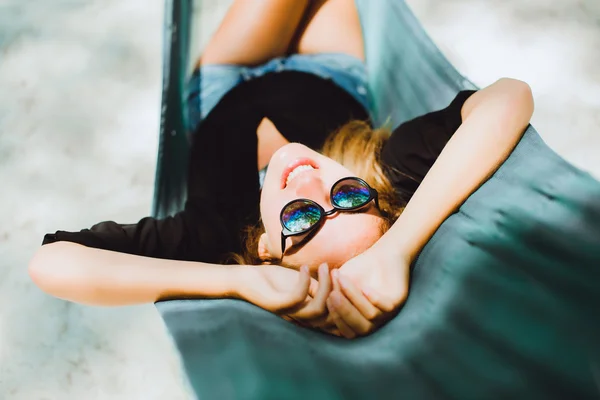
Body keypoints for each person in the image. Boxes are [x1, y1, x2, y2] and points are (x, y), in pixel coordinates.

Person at [28, 0, 534, 339]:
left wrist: (237, 284)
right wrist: (398, 250)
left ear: (268, 248)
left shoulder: (216, 235)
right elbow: (508, 96)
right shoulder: (380, 175)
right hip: (329, 68)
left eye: (299, 219)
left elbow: (51, 263)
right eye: (348, 198)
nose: (314, 182)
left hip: (224, 81)